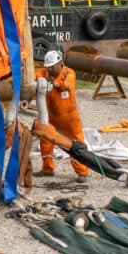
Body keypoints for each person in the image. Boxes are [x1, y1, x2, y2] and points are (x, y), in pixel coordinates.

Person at [39, 49, 89, 179]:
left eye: (51, 67)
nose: (49, 70)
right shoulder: (45, 73)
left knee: (76, 143)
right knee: (45, 141)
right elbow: (35, 76)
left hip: (69, 117)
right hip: (51, 116)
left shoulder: (68, 73)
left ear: (59, 64)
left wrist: (52, 83)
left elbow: (65, 85)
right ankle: (47, 169)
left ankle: (82, 172)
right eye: (47, 68)